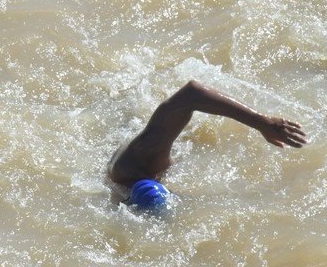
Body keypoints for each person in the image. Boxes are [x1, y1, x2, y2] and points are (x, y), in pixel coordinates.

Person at [106, 80, 307, 210]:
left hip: (136, 141)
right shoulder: (133, 173)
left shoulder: (145, 155)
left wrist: (262, 122)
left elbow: (192, 93)